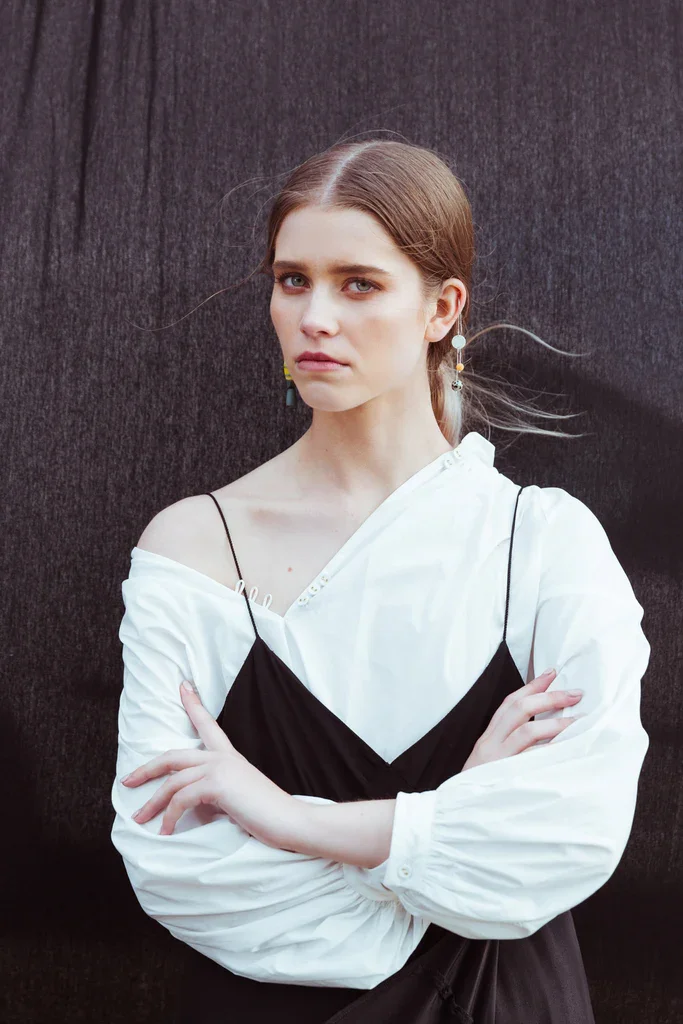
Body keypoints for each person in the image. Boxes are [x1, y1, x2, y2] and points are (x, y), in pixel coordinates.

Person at [110, 140, 650, 1023]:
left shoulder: (544, 544)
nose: (314, 317)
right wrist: (449, 830)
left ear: (441, 308)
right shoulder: (194, 547)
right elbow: (175, 868)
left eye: (357, 284)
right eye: (292, 281)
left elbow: (571, 835)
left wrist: (287, 819)